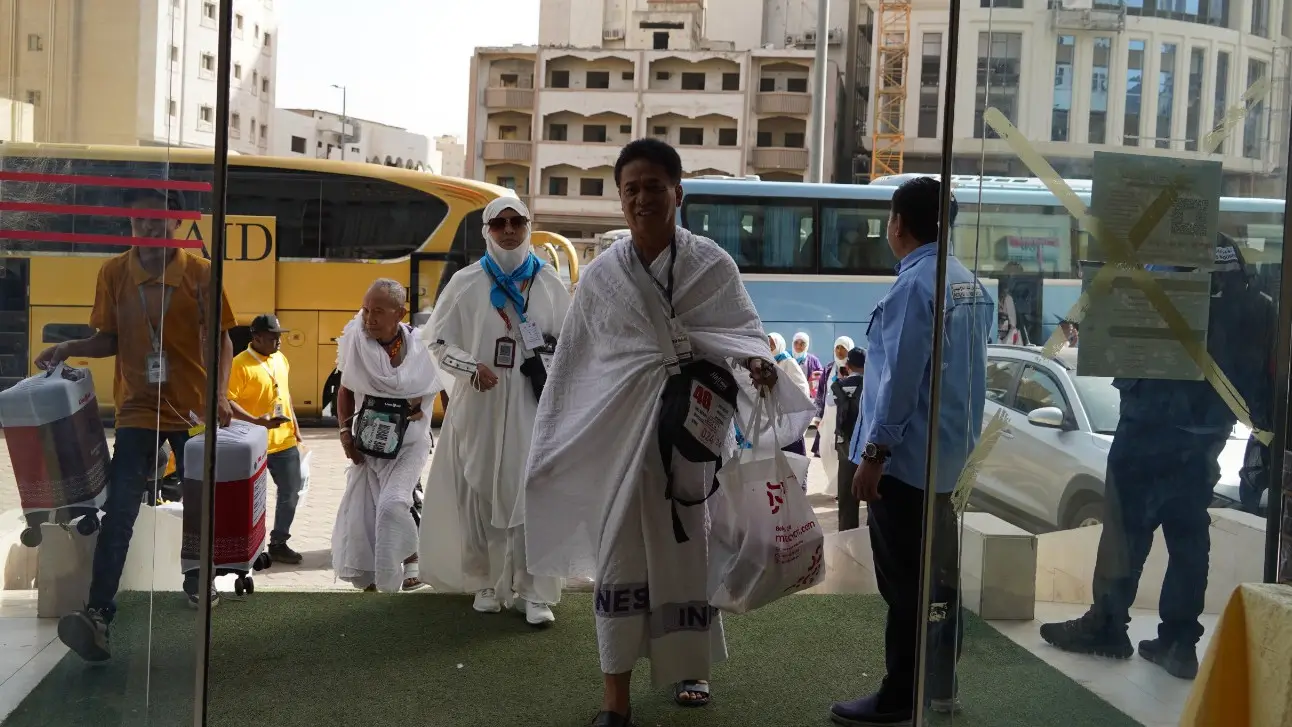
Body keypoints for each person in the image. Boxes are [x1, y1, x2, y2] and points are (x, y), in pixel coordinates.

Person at [523, 138, 813, 727]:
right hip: (620, 445)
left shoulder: (712, 265)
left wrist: (755, 364)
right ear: (619, 198)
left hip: (691, 443)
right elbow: (580, 367)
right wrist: (551, 443)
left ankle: (691, 669)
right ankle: (615, 701)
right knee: (618, 560)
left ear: (678, 192)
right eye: (631, 188)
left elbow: (744, 336)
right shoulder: (602, 278)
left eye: (655, 186)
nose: (642, 198)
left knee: (690, 553)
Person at [1039, 236, 1275, 680]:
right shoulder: (1252, 294)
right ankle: (1179, 642)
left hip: (1149, 425)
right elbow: (1265, 374)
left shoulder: (1166, 271)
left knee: (1126, 532)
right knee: (1188, 535)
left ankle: (1107, 624)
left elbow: (1106, 335)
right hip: (1208, 434)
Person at [36, 187, 237, 663]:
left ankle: (196, 579)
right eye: (140, 221)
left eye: (158, 221)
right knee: (120, 509)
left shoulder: (202, 274)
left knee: (199, 499)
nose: (149, 229)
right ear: (131, 226)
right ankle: (98, 614)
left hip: (190, 409)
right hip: (137, 411)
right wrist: (68, 348)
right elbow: (108, 339)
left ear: (175, 225)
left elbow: (223, 340)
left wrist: (221, 393)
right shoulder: (113, 273)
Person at [831, 177, 994, 724]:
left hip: (906, 465)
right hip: (946, 462)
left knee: (905, 586)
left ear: (898, 224)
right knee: (939, 579)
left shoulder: (913, 287)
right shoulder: (970, 284)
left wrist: (874, 454)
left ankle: (901, 695)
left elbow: (899, 380)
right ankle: (940, 687)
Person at [419, 197, 570, 626]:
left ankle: (534, 591)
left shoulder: (549, 284)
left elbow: (572, 341)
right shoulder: (467, 282)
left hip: (530, 403)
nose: (508, 229)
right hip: (479, 404)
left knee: (533, 490)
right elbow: (438, 342)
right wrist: (470, 368)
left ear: (528, 226)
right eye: (499, 222)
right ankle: (484, 582)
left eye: (516, 221)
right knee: (477, 487)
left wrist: (544, 360)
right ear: (487, 229)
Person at [331, 278, 444, 593]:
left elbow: (438, 384)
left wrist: (424, 407)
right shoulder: (356, 342)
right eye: (366, 310)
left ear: (400, 314)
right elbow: (345, 390)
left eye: (378, 311)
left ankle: (397, 573)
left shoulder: (422, 345)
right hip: (369, 447)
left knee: (392, 505)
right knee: (371, 513)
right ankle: (387, 574)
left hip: (410, 446)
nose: (369, 319)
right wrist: (344, 435)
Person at [226, 313, 306, 565]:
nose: (278, 341)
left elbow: (285, 393)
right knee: (251, 498)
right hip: (253, 442)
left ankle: (279, 542)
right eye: (273, 337)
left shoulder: (281, 359)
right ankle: (248, 545)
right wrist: (258, 421)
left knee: (291, 492)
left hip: (284, 442)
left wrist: (296, 427)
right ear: (257, 337)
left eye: (279, 336)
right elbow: (227, 401)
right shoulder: (239, 364)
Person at [827, 347, 866, 530]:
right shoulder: (872, 384)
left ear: (848, 365)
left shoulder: (838, 385)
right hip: (868, 448)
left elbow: (828, 403)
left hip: (845, 446)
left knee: (846, 499)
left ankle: (847, 537)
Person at [812, 336, 856, 460]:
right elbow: (821, 393)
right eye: (837, 347)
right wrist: (818, 416)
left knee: (845, 453)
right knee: (828, 453)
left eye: (843, 348)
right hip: (829, 416)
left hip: (848, 417)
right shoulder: (828, 369)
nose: (839, 351)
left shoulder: (856, 368)